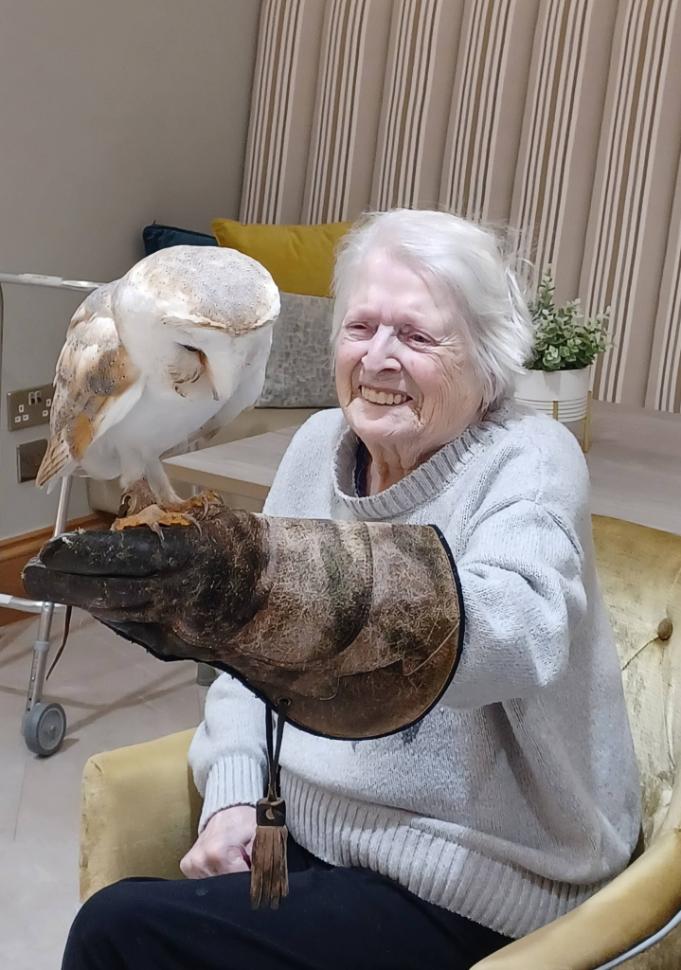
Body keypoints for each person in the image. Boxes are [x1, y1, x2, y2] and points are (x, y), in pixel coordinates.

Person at [50, 210, 641, 969]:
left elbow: (521, 632)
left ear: (488, 361)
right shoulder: (316, 447)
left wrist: (292, 589)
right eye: (360, 328)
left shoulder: (528, 458)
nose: (379, 360)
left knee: (118, 931)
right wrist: (232, 790)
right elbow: (247, 663)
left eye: (418, 336)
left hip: (469, 873)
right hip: (306, 833)